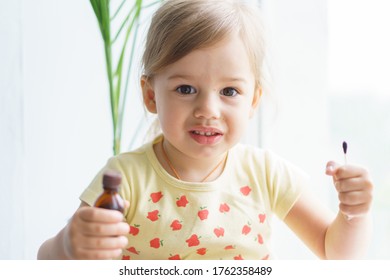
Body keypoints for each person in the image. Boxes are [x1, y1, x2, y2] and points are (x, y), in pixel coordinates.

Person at [37, 0, 373, 260]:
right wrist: (68, 244)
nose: (207, 111)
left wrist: (354, 213)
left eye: (229, 92)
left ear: (253, 99)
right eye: (185, 89)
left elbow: (336, 253)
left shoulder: (266, 173)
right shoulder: (125, 178)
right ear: (151, 95)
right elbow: (48, 261)